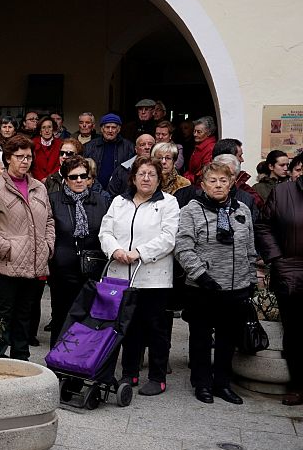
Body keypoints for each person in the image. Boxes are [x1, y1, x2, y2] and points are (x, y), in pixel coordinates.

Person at [176, 162, 257, 405]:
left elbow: (250, 249)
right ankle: (201, 383)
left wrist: (251, 279)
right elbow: (183, 247)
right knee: (201, 337)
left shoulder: (242, 210)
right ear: (203, 185)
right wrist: (201, 275)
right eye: (213, 180)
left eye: (224, 180)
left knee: (227, 338)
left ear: (232, 184)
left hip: (236, 288)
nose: (218, 185)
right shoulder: (192, 210)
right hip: (203, 287)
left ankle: (222, 383)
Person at [99, 156, 179, 396]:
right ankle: (129, 372)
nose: (146, 178)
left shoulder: (168, 203)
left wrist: (140, 253)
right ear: (132, 178)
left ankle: (157, 377)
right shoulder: (119, 202)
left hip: (153, 277)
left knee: (155, 328)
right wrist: (116, 250)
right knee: (128, 326)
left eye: (152, 174)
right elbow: (106, 231)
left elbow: (168, 237)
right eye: (141, 174)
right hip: (120, 274)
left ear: (159, 179)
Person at [0, 134, 55, 360]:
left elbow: (49, 220)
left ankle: (21, 359)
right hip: (6, 265)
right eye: (19, 156)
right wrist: (6, 248)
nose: (25, 161)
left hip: (34, 263)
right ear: (8, 158)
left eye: (28, 157)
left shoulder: (39, 187)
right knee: (3, 313)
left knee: (24, 314)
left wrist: (48, 246)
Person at [46, 155, 109, 348]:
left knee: (87, 320)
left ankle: (80, 366)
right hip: (62, 271)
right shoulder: (54, 200)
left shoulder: (100, 200)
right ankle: (58, 364)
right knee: (61, 317)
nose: (79, 180)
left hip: (92, 271)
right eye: (74, 177)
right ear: (65, 178)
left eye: (84, 176)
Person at [255, 165, 303, 406]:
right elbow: (264, 225)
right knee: (295, 332)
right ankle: (298, 385)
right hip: (291, 271)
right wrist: (277, 258)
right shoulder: (283, 192)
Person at [83, 113, 135, 191]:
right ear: (102, 129)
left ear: (119, 129)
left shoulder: (129, 147)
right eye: (107, 127)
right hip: (94, 191)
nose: (110, 131)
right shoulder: (89, 146)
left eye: (113, 127)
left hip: (119, 192)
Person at [184, 116, 217, 185]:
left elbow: (204, 173)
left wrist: (188, 178)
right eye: (194, 131)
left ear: (208, 133)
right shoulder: (199, 146)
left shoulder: (211, 148)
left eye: (199, 132)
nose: (195, 134)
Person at [31, 115, 62, 182]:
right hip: (36, 180)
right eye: (43, 128)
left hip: (55, 181)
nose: (47, 130)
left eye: (49, 127)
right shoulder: (32, 143)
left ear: (53, 129)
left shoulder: (60, 144)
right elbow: (32, 164)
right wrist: (41, 178)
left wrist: (50, 178)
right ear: (40, 131)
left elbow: (60, 164)